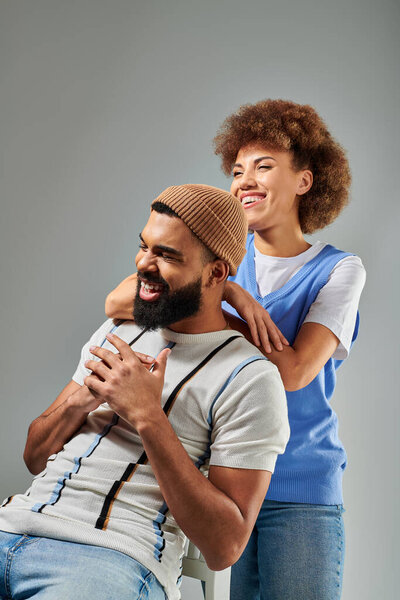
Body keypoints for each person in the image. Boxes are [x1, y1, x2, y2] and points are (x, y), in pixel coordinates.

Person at [105, 100, 366, 600]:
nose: (245, 179)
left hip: (298, 491)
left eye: (264, 167)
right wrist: (231, 290)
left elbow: (292, 371)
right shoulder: (220, 260)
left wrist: (209, 297)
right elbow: (118, 300)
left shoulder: (339, 270)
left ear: (305, 182)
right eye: (238, 169)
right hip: (222, 479)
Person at [0, 184, 289, 600]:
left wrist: (148, 416)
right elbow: (34, 457)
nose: (143, 265)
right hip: (14, 523)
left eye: (167, 255)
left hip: (110, 559)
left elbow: (225, 546)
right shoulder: (121, 329)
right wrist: (89, 394)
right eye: (144, 247)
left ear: (217, 274)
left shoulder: (250, 378)